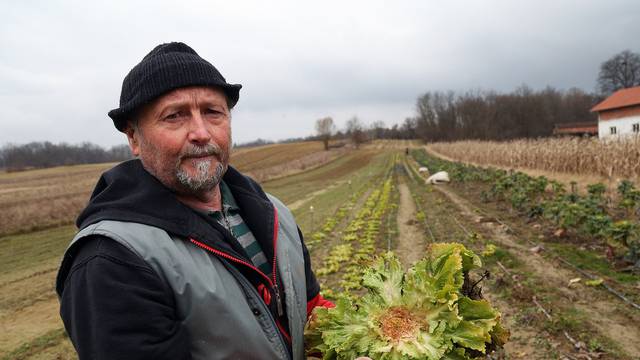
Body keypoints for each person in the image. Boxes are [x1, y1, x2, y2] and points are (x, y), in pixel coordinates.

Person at [56, 42, 333, 360]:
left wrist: (351, 344)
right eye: (175, 116)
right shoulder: (111, 261)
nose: (201, 133)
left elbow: (311, 312)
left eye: (213, 112)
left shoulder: (275, 214)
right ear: (134, 138)